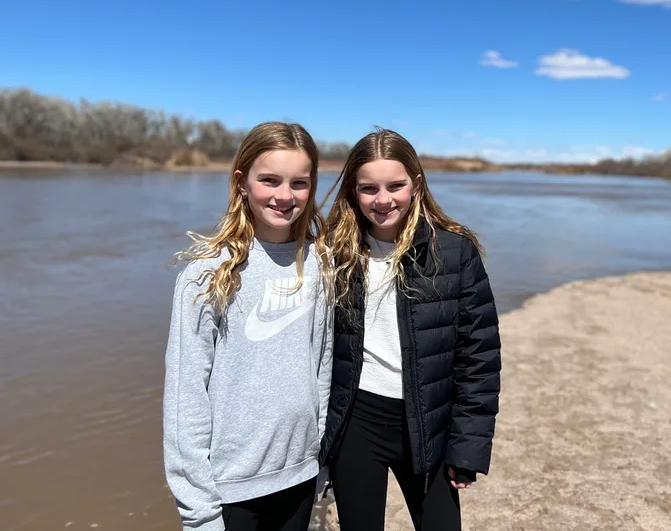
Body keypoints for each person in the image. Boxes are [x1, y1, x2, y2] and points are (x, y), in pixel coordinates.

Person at [320, 128, 501, 531]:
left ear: (416, 184)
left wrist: (467, 447)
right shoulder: (334, 250)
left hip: (428, 423)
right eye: (369, 188)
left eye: (395, 186)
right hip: (356, 422)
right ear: (353, 190)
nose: (383, 200)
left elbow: (479, 358)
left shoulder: (454, 251)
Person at [163, 122, 333, 531]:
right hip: (230, 485)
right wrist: (198, 508)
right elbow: (186, 394)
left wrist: (320, 457)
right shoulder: (207, 274)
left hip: (300, 474)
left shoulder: (320, 264)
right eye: (269, 180)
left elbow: (321, 366)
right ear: (242, 182)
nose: (284, 195)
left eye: (299, 183)